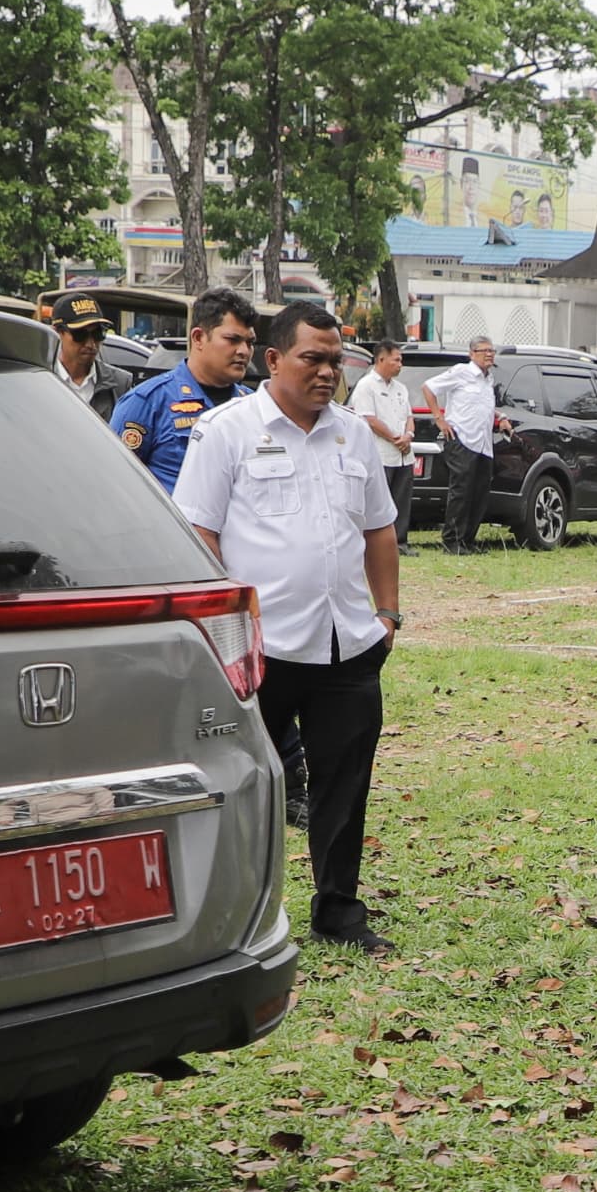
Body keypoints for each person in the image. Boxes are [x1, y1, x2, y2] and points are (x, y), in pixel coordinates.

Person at [172, 299, 403, 952]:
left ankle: (338, 910)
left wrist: (387, 614)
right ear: (274, 359)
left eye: (336, 360)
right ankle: (239, 915)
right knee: (243, 787)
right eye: (313, 358)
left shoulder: (354, 433)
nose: (328, 371)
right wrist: (223, 632)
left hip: (347, 645)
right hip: (262, 650)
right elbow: (199, 534)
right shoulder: (228, 430)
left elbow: (379, 528)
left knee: (343, 787)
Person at [114, 288, 257, 492]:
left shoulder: (252, 405)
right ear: (198, 338)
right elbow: (117, 481)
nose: (244, 351)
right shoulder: (148, 402)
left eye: (250, 342)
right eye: (232, 340)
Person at [428, 336, 502, 552]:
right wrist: (439, 419)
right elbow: (429, 388)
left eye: (491, 350)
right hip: (462, 440)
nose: (489, 354)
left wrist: (501, 417)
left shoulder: (488, 379)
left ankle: (468, 540)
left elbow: (482, 405)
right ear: (472, 353)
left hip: (483, 444)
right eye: (483, 350)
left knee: (479, 494)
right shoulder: (462, 372)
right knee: (461, 492)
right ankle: (452, 541)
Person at [347, 335, 420, 549]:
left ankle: (400, 541)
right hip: (381, 453)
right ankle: (380, 543)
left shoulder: (400, 388)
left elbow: (409, 416)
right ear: (381, 360)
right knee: (380, 501)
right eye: (395, 360)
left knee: (402, 498)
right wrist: (394, 438)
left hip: (403, 454)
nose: (400, 364)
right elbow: (368, 418)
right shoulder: (366, 386)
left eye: (400, 360)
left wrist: (408, 436)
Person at [45, 290, 146, 418]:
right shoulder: (41, 380)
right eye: (80, 334)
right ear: (57, 333)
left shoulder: (120, 384)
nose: (90, 344)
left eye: (98, 334)